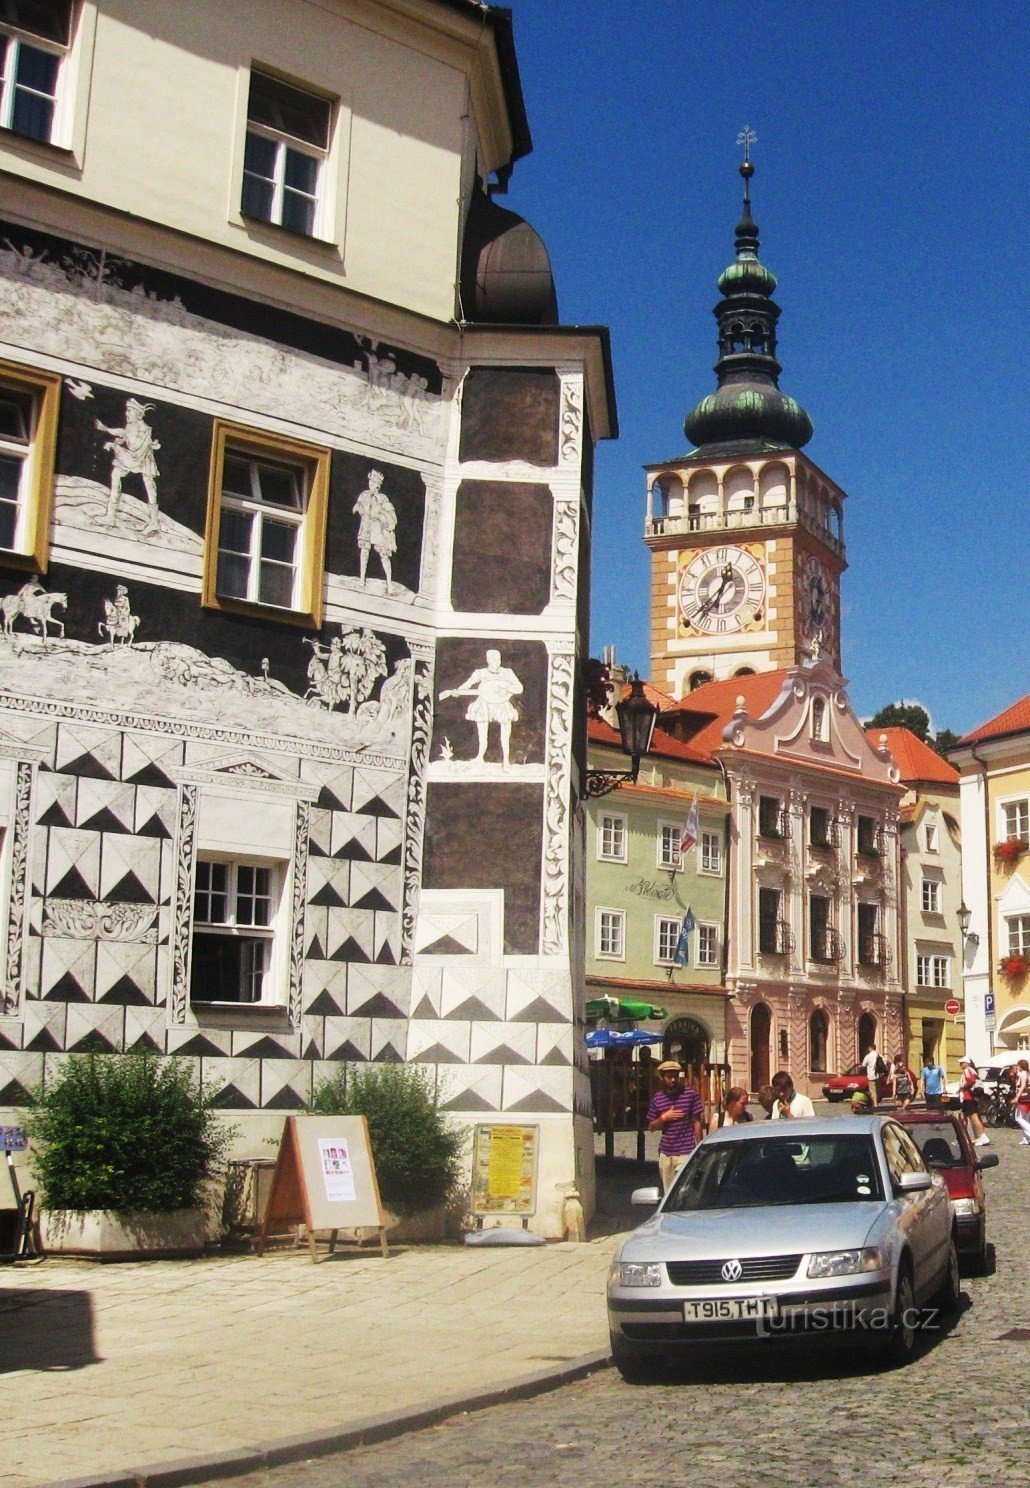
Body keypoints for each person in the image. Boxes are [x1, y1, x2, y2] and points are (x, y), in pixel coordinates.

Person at [439, 650, 524, 770]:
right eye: (493, 658)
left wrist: (506, 687)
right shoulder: (480, 673)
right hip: (484, 703)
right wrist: (458, 691)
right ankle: (480, 757)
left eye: (498, 657)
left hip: (502, 704)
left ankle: (506, 760)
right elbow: (467, 684)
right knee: (482, 734)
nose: (496, 660)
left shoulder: (507, 672)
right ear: (488, 659)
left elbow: (519, 688)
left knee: (505, 735)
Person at [96, 399, 161, 533]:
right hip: (132, 457)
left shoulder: (144, 429)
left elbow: (137, 449)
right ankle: (110, 517)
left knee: (149, 485)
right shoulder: (131, 426)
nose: (127, 414)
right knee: (115, 475)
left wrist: (115, 446)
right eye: (127, 410)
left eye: (130, 411)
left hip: (142, 458)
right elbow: (123, 433)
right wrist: (107, 430)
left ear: (138, 414)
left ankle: (154, 522)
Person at [646, 1060, 704, 1192]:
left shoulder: (690, 1095)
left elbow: (697, 1122)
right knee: (669, 1192)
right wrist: (664, 1118)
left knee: (683, 1189)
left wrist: (700, 1146)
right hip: (666, 1152)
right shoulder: (657, 1098)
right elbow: (651, 1126)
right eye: (669, 1077)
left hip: (686, 1149)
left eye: (675, 1076)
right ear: (662, 1078)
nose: (673, 1080)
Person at [353, 469, 398, 594]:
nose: (374, 485)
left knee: (384, 555)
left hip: (377, 528)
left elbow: (392, 516)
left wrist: (382, 517)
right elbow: (359, 508)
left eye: (377, 484)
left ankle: (389, 583)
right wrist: (359, 508)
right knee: (364, 551)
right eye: (372, 482)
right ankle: (362, 579)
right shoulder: (364, 495)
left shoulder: (382, 498)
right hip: (366, 526)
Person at [958, 1057, 990, 1146]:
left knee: (974, 1117)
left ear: (967, 1063)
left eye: (962, 1062)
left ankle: (983, 1136)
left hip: (968, 1097)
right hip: (968, 1097)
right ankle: (967, 1137)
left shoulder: (968, 1070)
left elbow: (971, 1080)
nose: (960, 1064)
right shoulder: (972, 1070)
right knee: (964, 1117)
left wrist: (963, 1086)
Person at [1013, 1058, 1030, 1147]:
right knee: (1026, 1119)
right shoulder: (1028, 1073)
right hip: (1028, 1098)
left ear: (1020, 1066)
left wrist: (1017, 1097)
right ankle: (1026, 1139)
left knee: (1018, 1118)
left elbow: (1023, 1085)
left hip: (1023, 1098)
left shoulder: (1023, 1074)